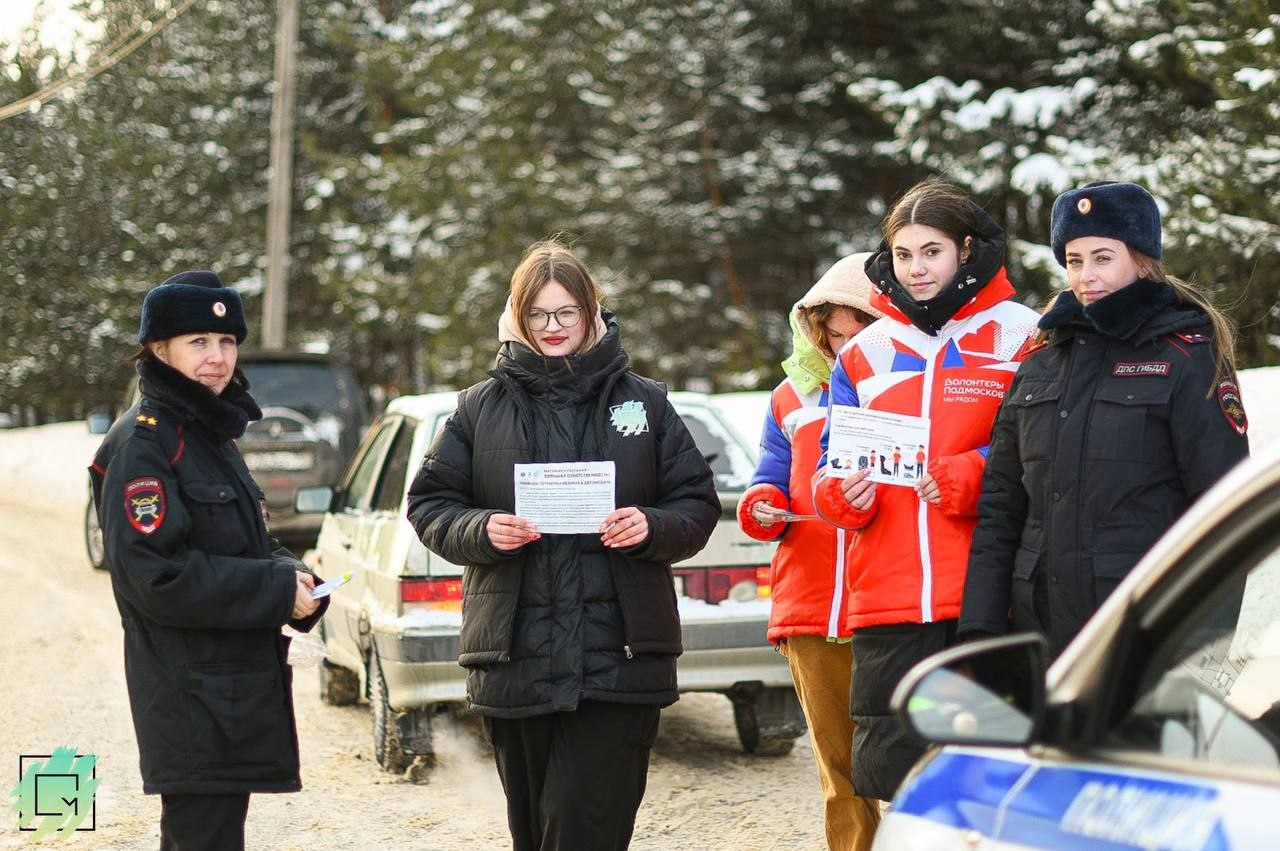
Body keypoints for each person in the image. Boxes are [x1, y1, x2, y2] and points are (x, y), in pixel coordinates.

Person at [405, 239, 719, 851]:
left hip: (619, 658)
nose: (553, 328)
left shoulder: (644, 403)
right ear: (517, 318)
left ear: (591, 313)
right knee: (536, 833)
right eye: (539, 315)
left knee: (585, 830)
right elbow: (430, 505)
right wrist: (482, 530)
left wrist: (651, 526)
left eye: (567, 313)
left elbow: (697, 505)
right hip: (516, 656)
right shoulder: (478, 407)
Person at [812, 179, 1040, 801]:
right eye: (904, 253)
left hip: (987, 597)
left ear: (966, 250)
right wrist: (838, 495)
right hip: (890, 598)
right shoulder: (864, 351)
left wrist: (973, 475)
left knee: (992, 781)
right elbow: (830, 464)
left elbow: (1044, 451)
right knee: (902, 783)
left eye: (931, 251)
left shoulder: (1022, 335)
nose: (917, 268)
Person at [88, 271, 329, 851]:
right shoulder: (145, 444)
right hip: (190, 696)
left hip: (226, 688)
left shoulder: (205, 431)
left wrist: (295, 577)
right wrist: (272, 589)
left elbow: (241, 541)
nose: (217, 357)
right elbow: (155, 576)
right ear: (158, 348)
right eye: (198, 342)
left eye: (226, 342)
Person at [960, 182, 1250, 657]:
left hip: (1144, 637)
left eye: (1102, 257)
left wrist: (1203, 651)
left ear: (1140, 258)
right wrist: (980, 629)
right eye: (1075, 260)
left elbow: (1224, 513)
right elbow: (1002, 508)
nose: (1086, 275)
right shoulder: (1040, 360)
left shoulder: (1186, 356)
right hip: (1038, 638)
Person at [736, 253, 884, 851]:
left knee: (909, 757)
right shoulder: (789, 396)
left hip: (889, 601)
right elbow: (770, 472)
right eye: (832, 334)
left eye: (859, 333)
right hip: (810, 603)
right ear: (812, 327)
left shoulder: (905, 389)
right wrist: (762, 503)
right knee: (838, 769)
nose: (843, 347)